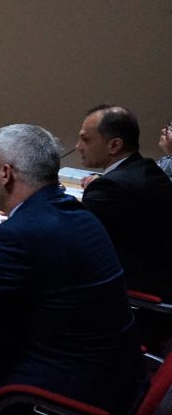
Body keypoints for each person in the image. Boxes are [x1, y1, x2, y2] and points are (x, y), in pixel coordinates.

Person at [0, 123, 143, 415]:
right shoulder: (72, 213)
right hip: (112, 386)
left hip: (50, 410)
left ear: (6, 173)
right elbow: (13, 278)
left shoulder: (18, 234)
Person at [75, 104, 172, 299]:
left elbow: (77, 247)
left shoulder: (110, 188)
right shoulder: (148, 170)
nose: (78, 146)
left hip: (133, 294)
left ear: (114, 145)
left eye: (85, 139)